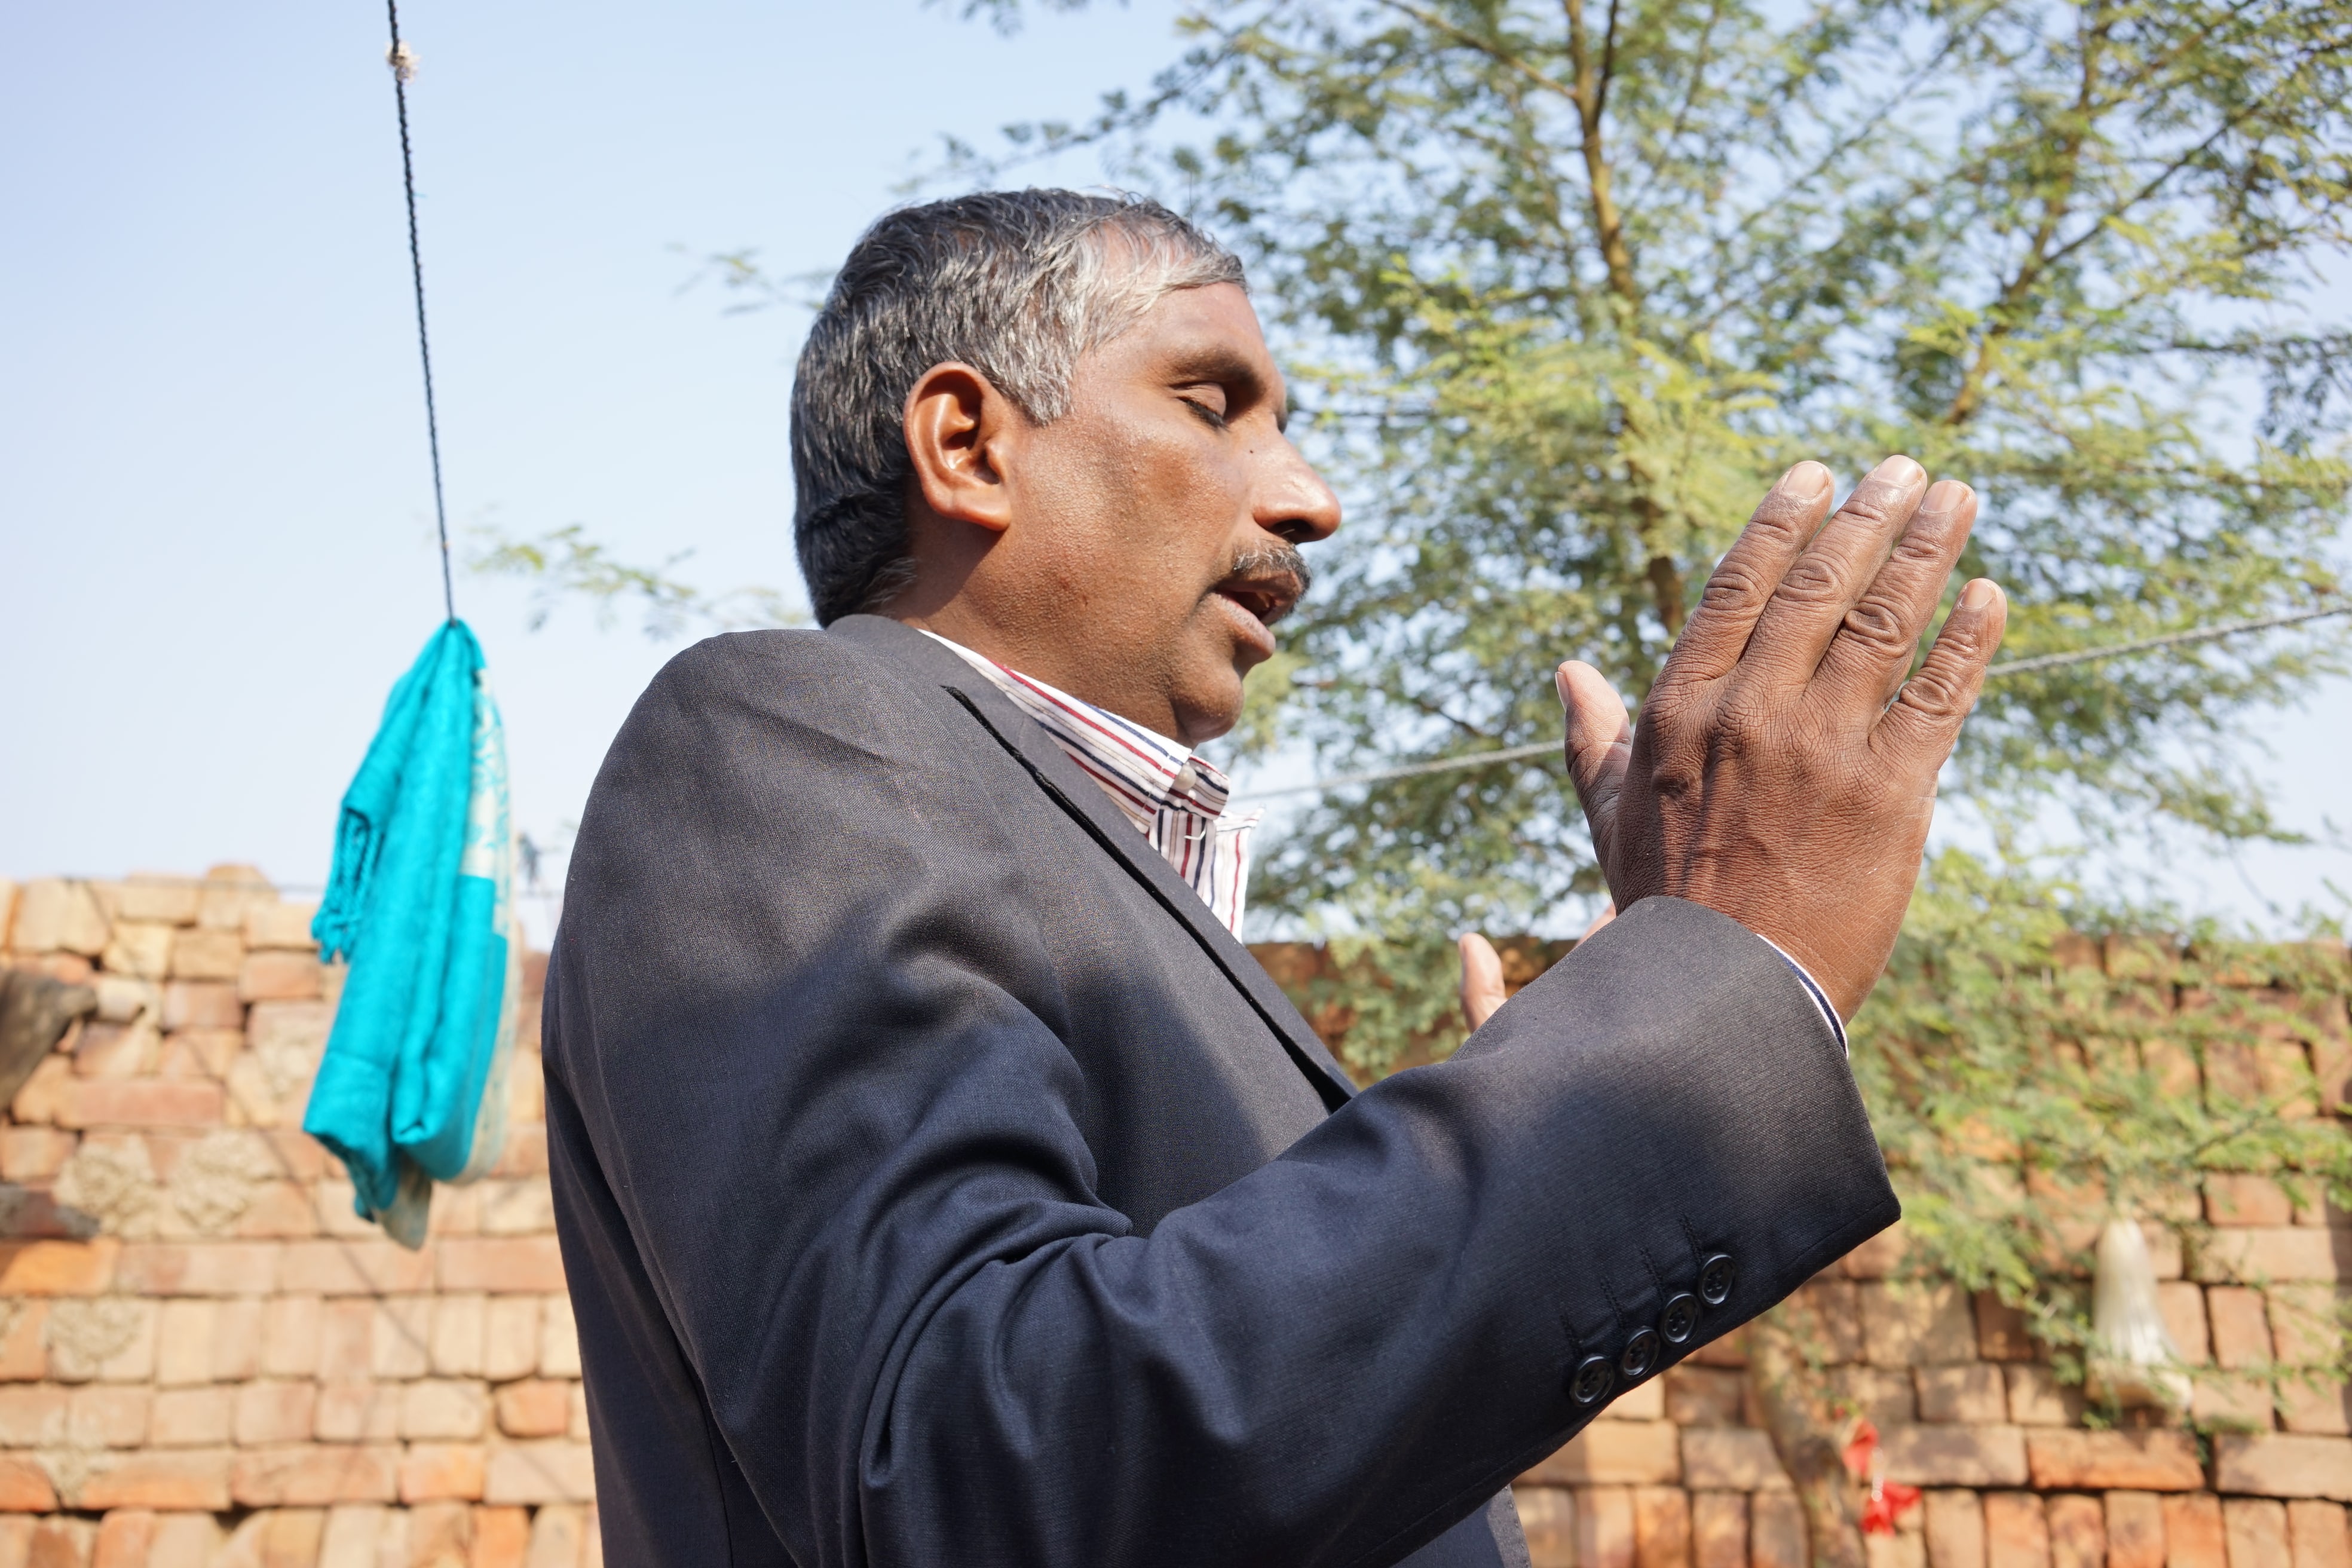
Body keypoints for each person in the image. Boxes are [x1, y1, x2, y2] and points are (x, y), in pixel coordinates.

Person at [543, 189, 2008, 1567]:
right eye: (1212, 402)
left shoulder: (1120, 902)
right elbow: (975, 1465)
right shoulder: (779, 734)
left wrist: (1559, 1098)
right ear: (970, 445)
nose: (1309, 500)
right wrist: (1706, 981)